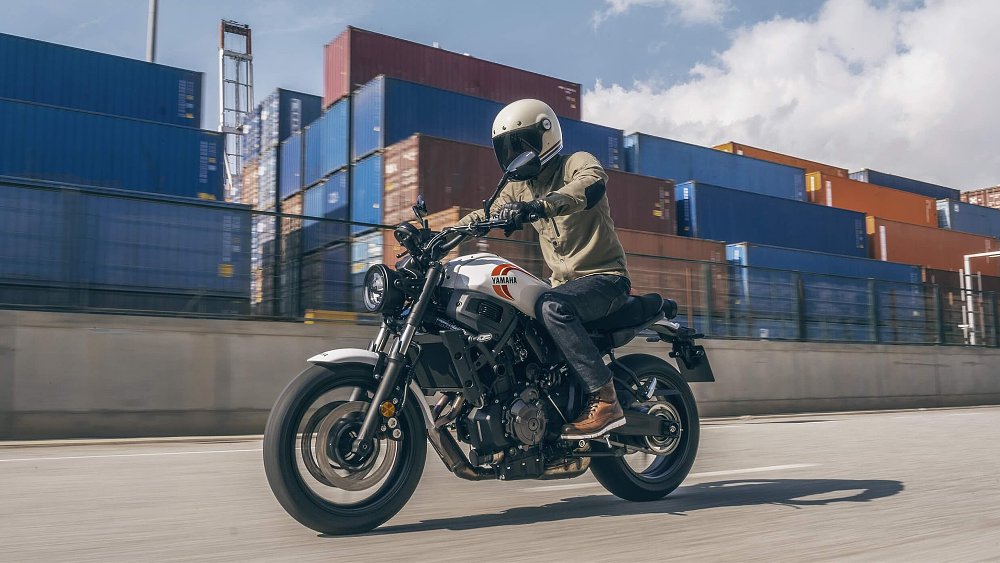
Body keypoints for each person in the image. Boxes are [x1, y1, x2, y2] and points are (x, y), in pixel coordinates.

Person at [458, 99, 631, 440]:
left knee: (551, 306)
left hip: (604, 279)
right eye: (507, 148)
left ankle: (606, 397)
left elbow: (590, 184)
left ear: (545, 136)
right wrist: (437, 236)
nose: (514, 154)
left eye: (521, 145)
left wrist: (539, 206)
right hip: (561, 284)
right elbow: (483, 216)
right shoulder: (518, 187)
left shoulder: (575, 164)